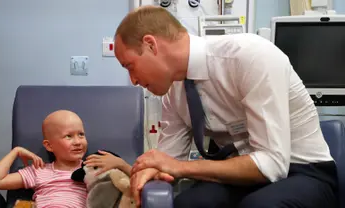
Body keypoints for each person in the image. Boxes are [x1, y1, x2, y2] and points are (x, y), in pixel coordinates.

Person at [113, 5, 338, 208]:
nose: (133, 80)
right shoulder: (174, 92)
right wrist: (148, 170)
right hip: (242, 176)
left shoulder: (249, 57)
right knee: (190, 203)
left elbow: (273, 164)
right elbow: (165, 161)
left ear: (151, 45)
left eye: (130, 66)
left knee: (259, 206)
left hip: (303, 171)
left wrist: (179, 167)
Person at [0, 110, 132, 208]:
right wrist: (16, 151)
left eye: (81, 134)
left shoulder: (92, 170)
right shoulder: (39, 170)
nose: (78, 141)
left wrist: (120, 164)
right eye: (69, 136)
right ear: (49, 146)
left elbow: (126, 184)